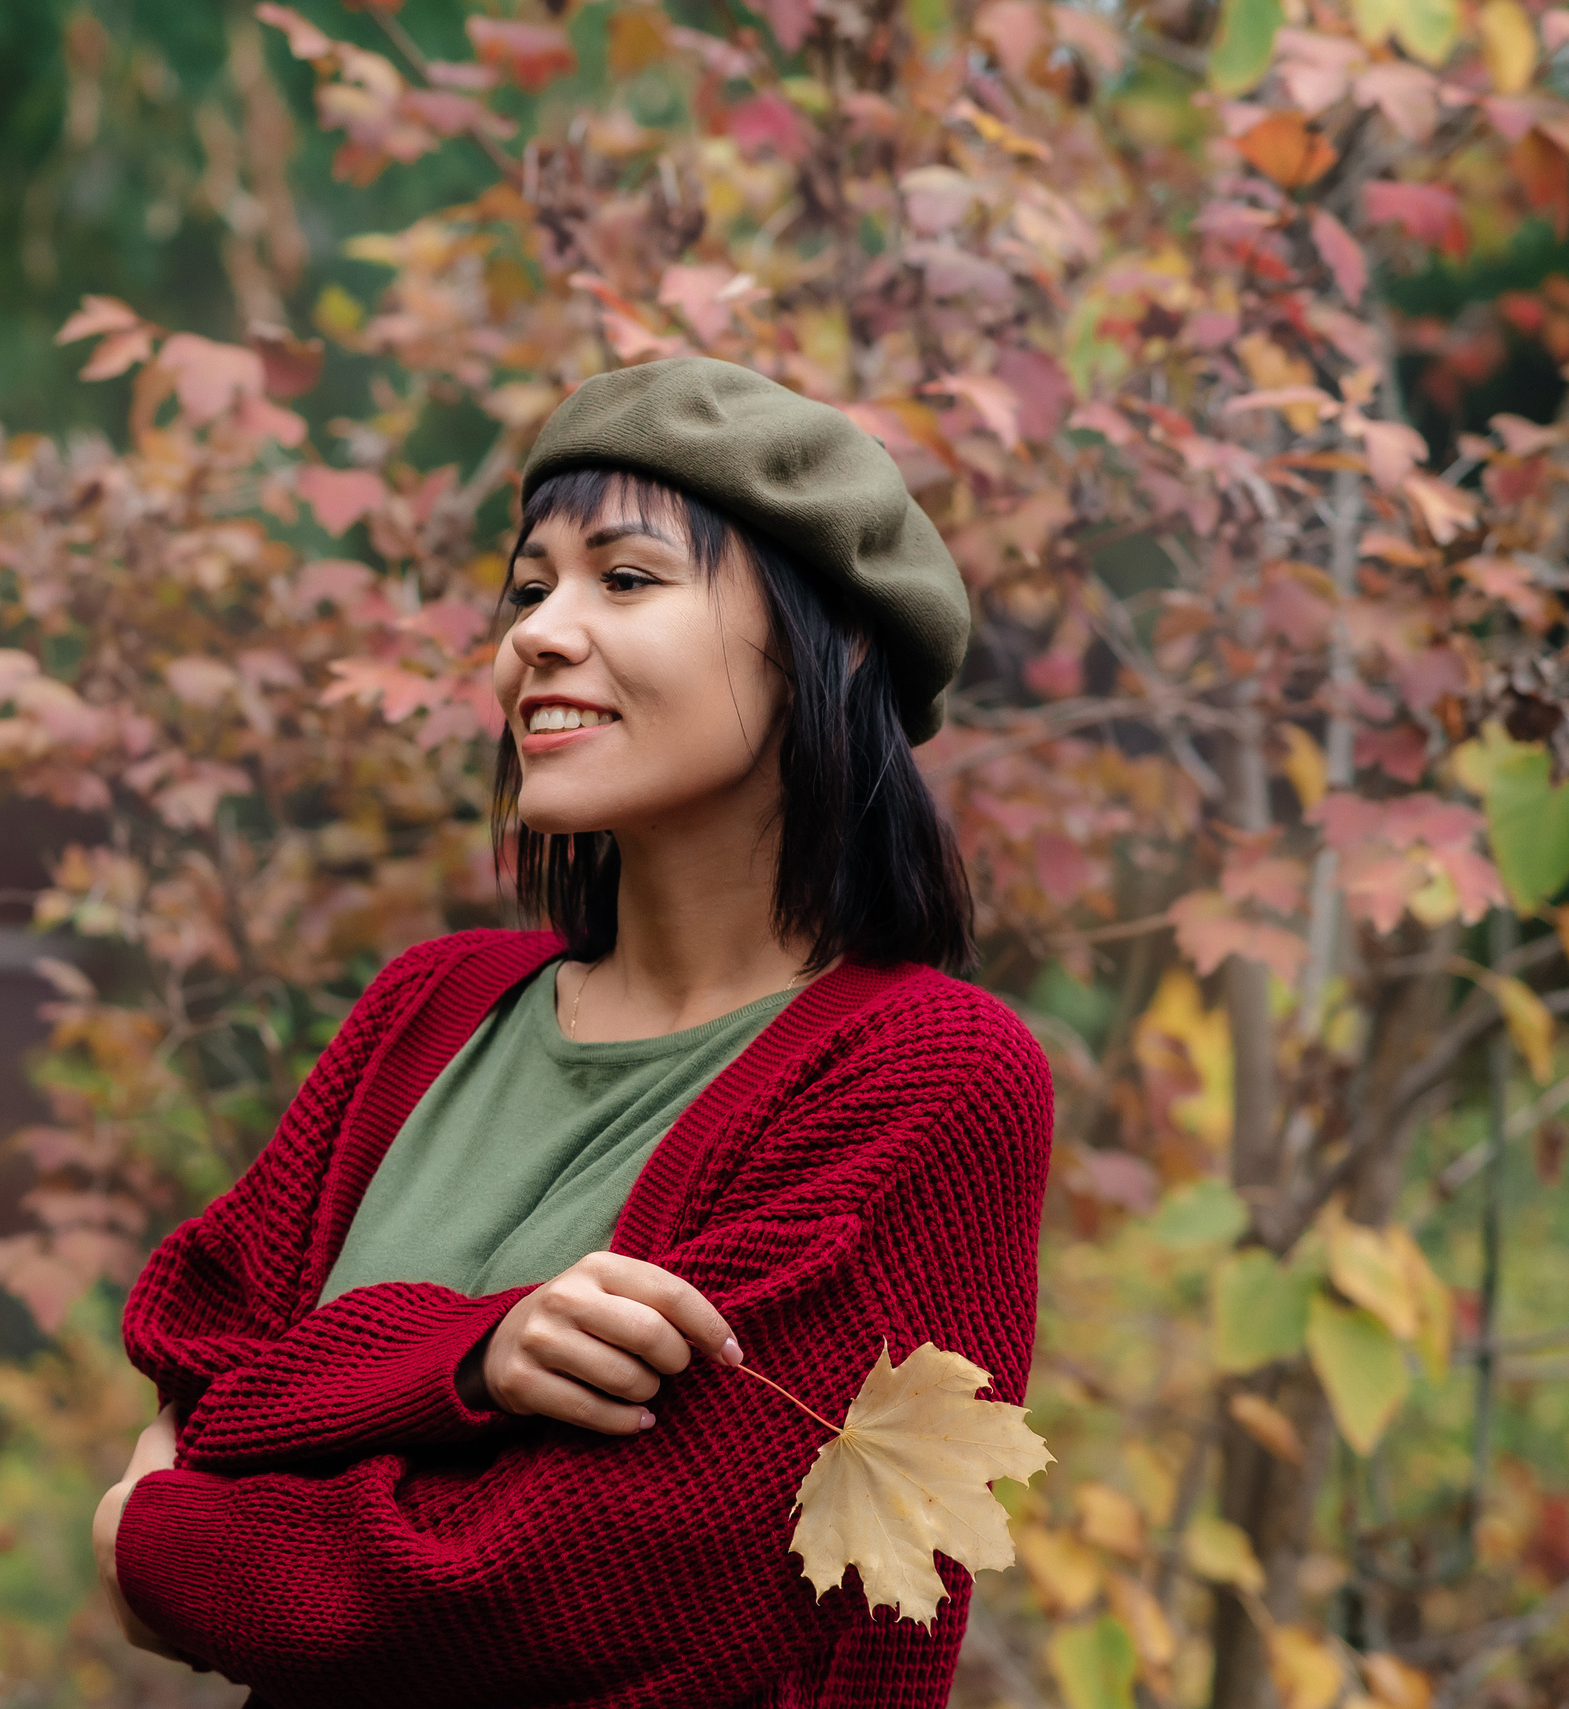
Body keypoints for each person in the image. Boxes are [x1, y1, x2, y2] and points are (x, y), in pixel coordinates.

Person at [88, 356, 1053, 1709]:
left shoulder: (928, 1074)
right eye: (530, 586)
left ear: (828, 640)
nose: (539, 632)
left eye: (628, 578)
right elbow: (197, 1352)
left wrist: (153, 1539)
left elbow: (565, 1589)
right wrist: (471, 1358)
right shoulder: (426, 1008)